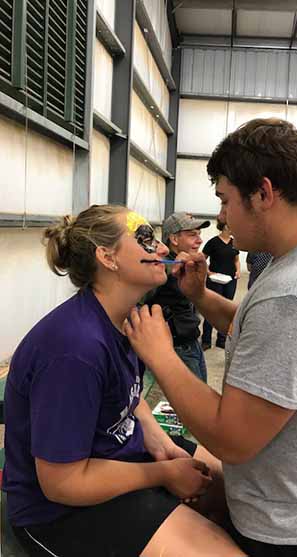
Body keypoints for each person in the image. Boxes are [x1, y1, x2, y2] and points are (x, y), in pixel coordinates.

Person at [124, 118, 297, 557]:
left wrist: (161, 356)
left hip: (292, 528)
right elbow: (264, 333)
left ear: (263, 193)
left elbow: (231, 440)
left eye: (225, 200)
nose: (221, 216)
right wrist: (201, 296)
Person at [2, 204, 246, 557]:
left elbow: (128, 397)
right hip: (59, 511)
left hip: (122, 458)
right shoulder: (75, 349)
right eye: (145, 240)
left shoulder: (126, 319)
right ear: (108, 258)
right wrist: (163, 474)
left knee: (241, 490)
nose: (161, 247)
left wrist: (161, 442)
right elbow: (61, 483)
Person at [146, 212, 210, 382]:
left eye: (199, 234)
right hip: (178, 347)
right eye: (192, 235)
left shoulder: (186, 264)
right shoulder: (161, 267)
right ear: (174, 239)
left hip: (191, 341)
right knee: (195, 396)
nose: (199, 240)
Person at [201, 220, 240, 350]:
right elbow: (202, 259)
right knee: (211, 309)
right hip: (215, 280)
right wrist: (208, 272)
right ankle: (206, 340)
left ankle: (221, 339)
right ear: (225, 227)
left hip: (230, 280)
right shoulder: (213, 242)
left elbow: (236, 260)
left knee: (226, 310)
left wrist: (238, 271)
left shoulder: (234, 242)